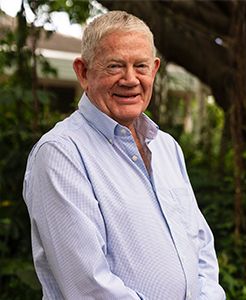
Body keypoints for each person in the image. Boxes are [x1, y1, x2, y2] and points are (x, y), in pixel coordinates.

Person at [23, 10, 226, 300]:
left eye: (140, 66)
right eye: (115, 66)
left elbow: (201, 247)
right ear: (83, 72)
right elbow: (89, 287)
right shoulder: (61, 153)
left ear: (154, 69)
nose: (130, 79)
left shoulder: (166, 147)